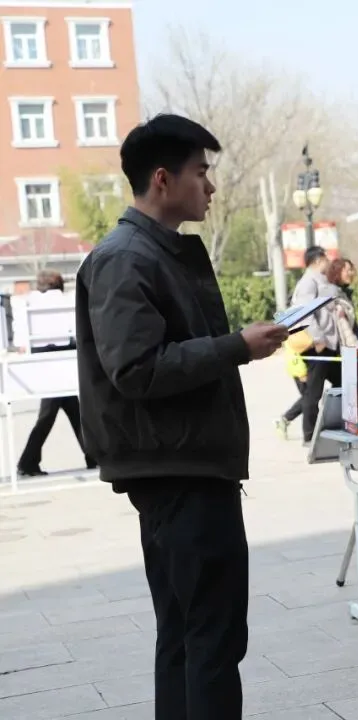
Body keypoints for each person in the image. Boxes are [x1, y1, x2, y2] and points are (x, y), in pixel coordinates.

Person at [75, 114, 289, 720]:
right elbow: (137, 368)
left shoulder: (154, 252)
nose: (211, 187)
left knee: (187, 636)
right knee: (210, 639)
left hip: (184, 465)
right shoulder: (126, 258)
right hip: (179, 470)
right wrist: (236, 346)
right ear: (163, 179)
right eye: (201, 172)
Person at [17, 270, 95, 477]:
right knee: (50, 414)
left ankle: (92, 456)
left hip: (43, 362)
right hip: (63, 360)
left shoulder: (30, 302)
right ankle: (27, 462)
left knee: (73, 411)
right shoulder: (65, 301)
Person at [292, 246, 344, 444]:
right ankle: (309, 435)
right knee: (313, 393)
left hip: (330, 345)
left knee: (343, 383)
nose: (328, 262)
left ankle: (336, 422)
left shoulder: (321, 281)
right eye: (325, 258)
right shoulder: (308, 282)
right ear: (317, 260)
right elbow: (305, 314)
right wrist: (318, 338)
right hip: (317, 347)